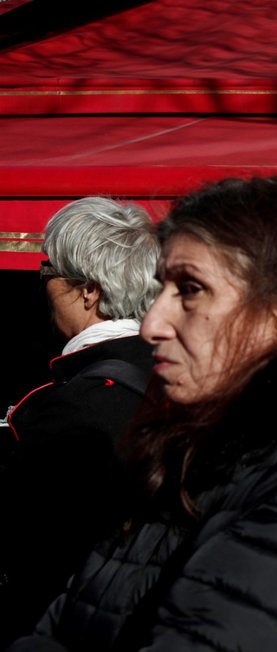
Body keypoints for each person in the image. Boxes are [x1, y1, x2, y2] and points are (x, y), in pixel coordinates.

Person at [7, 176, 277, 651]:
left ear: (276, 313)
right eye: (162, 286)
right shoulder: (189, 440)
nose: (152, 323)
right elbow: (71, 618)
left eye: (190, 288)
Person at [0, 197, 160, 646]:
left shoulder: (70, 409)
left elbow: (35, 558)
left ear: (89, 291)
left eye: (48, 272)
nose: (43, 286)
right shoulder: (188, 380)